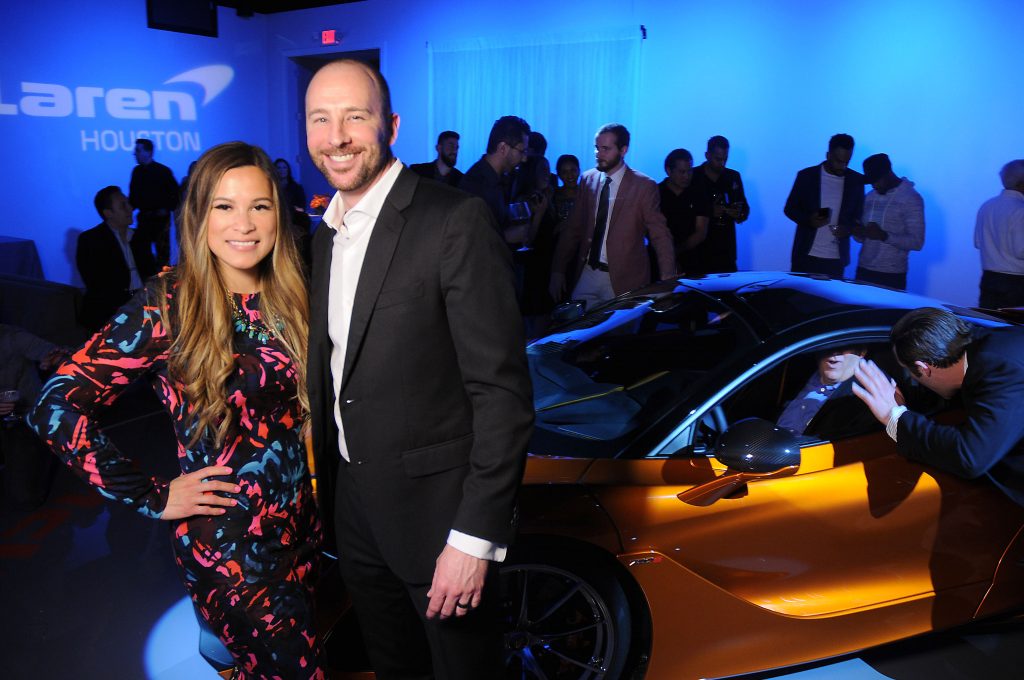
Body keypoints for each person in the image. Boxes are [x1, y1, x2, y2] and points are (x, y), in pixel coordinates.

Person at [30, 142, 325, 678]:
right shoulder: (168, 304)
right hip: (232, 549)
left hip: (302, 533)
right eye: (224, 206)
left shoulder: (289, 292)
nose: (245, 223)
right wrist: (154, 495)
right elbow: (56, 406)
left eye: (260, 206)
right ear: (197, 215)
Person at [304, 59, 533, 678]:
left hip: (440, 524)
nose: (338, 136)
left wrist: (472, 539)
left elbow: (502, 395)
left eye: (356, 116)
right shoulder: (324, 235)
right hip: (354, 513)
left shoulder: (452, 220)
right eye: (321, 119)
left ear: (392, 125)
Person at [853, 307, 1024, 507]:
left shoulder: (1000, 369)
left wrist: (895, 417)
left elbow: (970, 457)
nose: (913, 380)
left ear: (925, 368)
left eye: (910, 373)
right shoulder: (986, 344)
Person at [549, 123, 676, 308]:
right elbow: (573, 228)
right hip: (588, 273)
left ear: (623, 150)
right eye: (597, 148)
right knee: (578, 333)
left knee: (618, 335)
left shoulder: (643, 186)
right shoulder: (588, 179)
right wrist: (558, 270)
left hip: (625, 279)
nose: (598, 154)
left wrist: (668, 277)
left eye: (606, 149)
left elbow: (659, 234)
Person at [0, 324, 67, 509]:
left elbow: (54, 352)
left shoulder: (11, 337)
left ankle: (47, 446)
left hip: (24, 418)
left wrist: (57, 357)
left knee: (26, 497)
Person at [76, 186, 158, 332]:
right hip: (110, 312)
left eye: (128, 203)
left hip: (143, 305)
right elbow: (96, 284)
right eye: (123, 205)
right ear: (108, 213)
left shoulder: (140, 236)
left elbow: (151, 272)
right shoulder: (91, 240)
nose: (131, 208)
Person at [784, 133, 865, 279]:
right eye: (838, 161)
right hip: (805, 256)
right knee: (798, 300)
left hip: (836, 260)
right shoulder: (806, 176)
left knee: (830, 301)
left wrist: (848, 229)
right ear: (828, 155)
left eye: (846, 162)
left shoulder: (856, 181)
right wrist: (809, 220)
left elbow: (858, 217)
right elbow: (790, 208)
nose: (843, 167)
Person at [853, 153, 925, 291]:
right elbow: (862, 238)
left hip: (891, 276)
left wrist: (884, 235)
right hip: (863, 270)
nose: (873, 185)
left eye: (876, 180)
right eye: (871, 181)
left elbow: (917, 242)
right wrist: (857, 231)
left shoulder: (912, 199)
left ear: (888, 174)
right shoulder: (869, 197)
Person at [777, 346, 876, 440]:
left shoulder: (863, 399)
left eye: (845, 346)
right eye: (832, 344)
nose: (835, 352)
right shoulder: (793, 369)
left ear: (862, 352)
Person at [459, 115, 532, 238]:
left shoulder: (500, 179)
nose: (524, 158)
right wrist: (506, 237)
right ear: (503, 148)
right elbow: (470, 238)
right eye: (522, 151)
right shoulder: (474, 185)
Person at [689, 136, 749, 272]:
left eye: (725, 159)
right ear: (707, 155)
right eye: (718, 159)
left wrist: (739, 213)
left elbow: (744, 207)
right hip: (699, 250)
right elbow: (684, 210)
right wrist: (710, 211)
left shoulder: (733, 176)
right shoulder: (693, 176)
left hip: (726, 251)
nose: (722, 163)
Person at [974, 159, 1024, 309]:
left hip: (989, 279)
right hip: (1016, 283)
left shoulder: (987, 206)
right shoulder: (1021, 210)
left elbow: (977, 242)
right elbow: (1021, 250)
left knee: (989, 327)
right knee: (1014, 330)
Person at [128, 138, 180, 269]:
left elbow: (175, 195)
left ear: (148, 152)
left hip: (160, 221)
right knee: (142, 255)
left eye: (138, 150)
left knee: (163, 257)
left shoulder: (163, 171)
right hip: (145, 220)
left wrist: (165, 208)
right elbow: (133, 198)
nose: (135, 154)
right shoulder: (137, 172)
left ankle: (164, 286)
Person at [659, 148, 710, 274]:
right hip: (659, 258)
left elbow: (701, 232)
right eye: (682, 172)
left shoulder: (698, 193)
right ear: (668, 170)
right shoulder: (656, 193)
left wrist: (676, 251)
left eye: (689, 171)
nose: (687, 176)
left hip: (693, 261)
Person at [552, 153, 580, 223]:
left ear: (579, 171)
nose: (570, 175)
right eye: (564, 172)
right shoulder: (553, 196)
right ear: (559, 174)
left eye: (573, 170)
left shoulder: (588, 194)